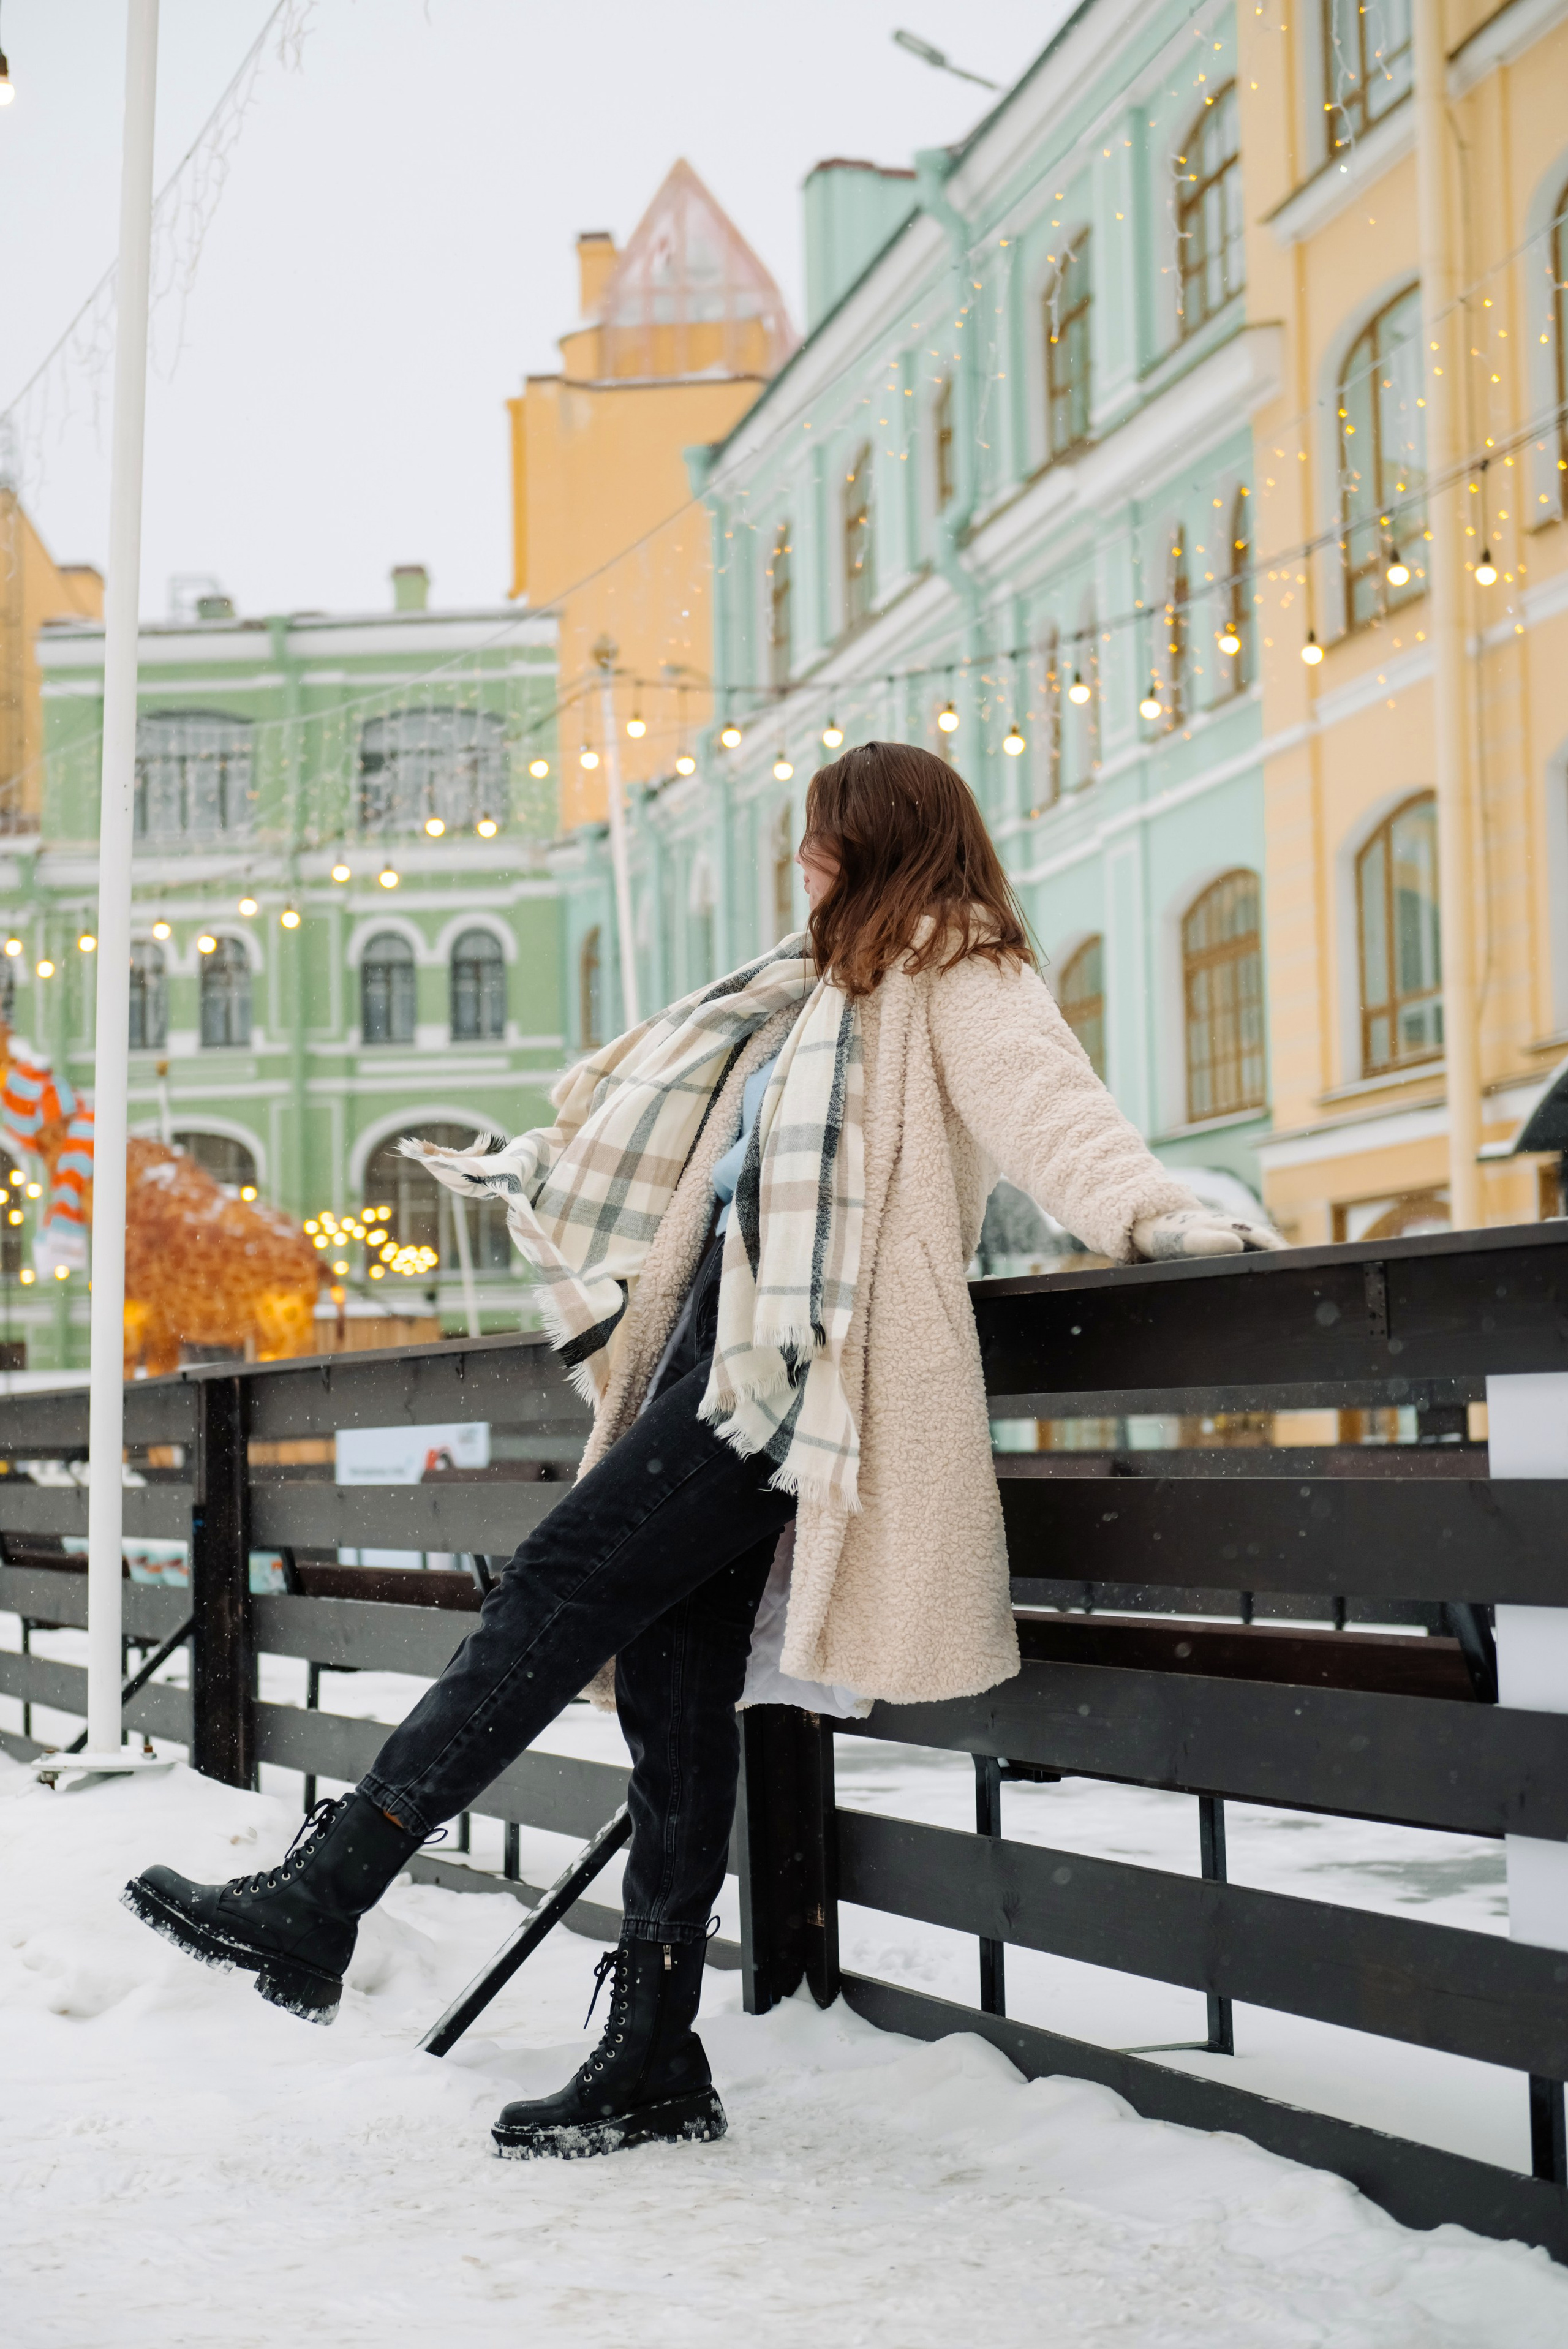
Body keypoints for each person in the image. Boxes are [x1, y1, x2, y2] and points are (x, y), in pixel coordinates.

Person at [125, 742, 1280, 2160]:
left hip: (797, 1371)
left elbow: (1057, 1114)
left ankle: (331, 1887)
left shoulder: (962, 973)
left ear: (874, 844)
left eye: (819, 841)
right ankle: (654, 2048)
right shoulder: (809, 992)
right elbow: (700, 1169)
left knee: (555, 1584)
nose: (800, 864)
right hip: (715, 1351)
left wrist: (1154, 1213)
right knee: (673, 1692)